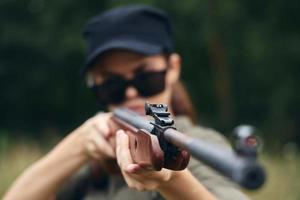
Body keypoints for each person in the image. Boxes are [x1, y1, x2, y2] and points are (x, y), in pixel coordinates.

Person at [4, 5, 250, 200]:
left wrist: (173, 182)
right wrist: (77, 146)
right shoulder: (94, 156)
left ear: (172, 68)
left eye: (145, 77)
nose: (131, 92)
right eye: (113, 85)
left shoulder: (198, 145)